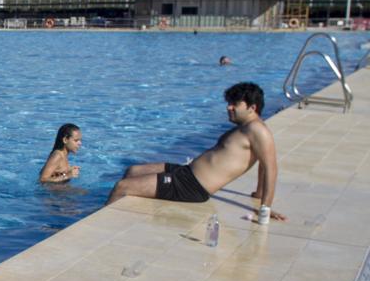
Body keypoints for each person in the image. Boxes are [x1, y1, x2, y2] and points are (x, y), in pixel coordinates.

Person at [107, 82, 287, 222]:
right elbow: (262, 165)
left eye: (234, 104)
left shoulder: (258, 130)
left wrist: (265, 208)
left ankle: (101, 226)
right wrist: (257, 193)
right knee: (133, 171)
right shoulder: (246, 127)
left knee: (122, 187)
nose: (229, 107)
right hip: (186, 173)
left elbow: (270, 167)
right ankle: (115, 211)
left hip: (191, 186)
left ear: (252, 107)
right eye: (229, 103)